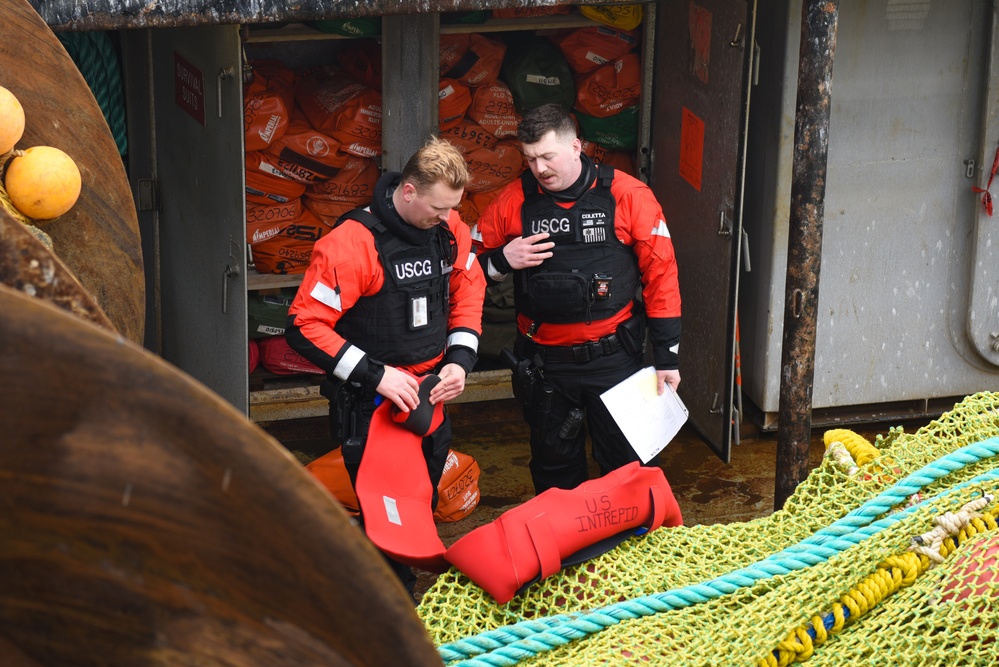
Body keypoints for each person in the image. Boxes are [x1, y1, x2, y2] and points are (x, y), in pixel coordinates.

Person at [285, 137, 486, 594]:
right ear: (409, 192)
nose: (446, 217)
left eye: (453, 207)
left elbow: (468, 285)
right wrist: (378, 375)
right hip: (371, 403)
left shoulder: (449, 228)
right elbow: (304, 326)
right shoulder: (354, 243)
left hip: (430, 396)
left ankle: (381, 578)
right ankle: (389, 605)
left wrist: (460, 360)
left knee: (421, 502)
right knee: (384, 514)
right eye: (438, 207)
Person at [475, 103, 681, 495]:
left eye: (548, 156)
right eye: (530, 158)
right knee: (555, 472)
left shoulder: (628, 195)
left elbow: (662, 275)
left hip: (614, 359)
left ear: (577, 147)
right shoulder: (513, 201)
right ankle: (567, 554)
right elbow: (464, 269)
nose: (539, 168)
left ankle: (629, 551)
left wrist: (666, 357)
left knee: (628, 470)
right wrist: (502, 260)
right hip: (545, 363)